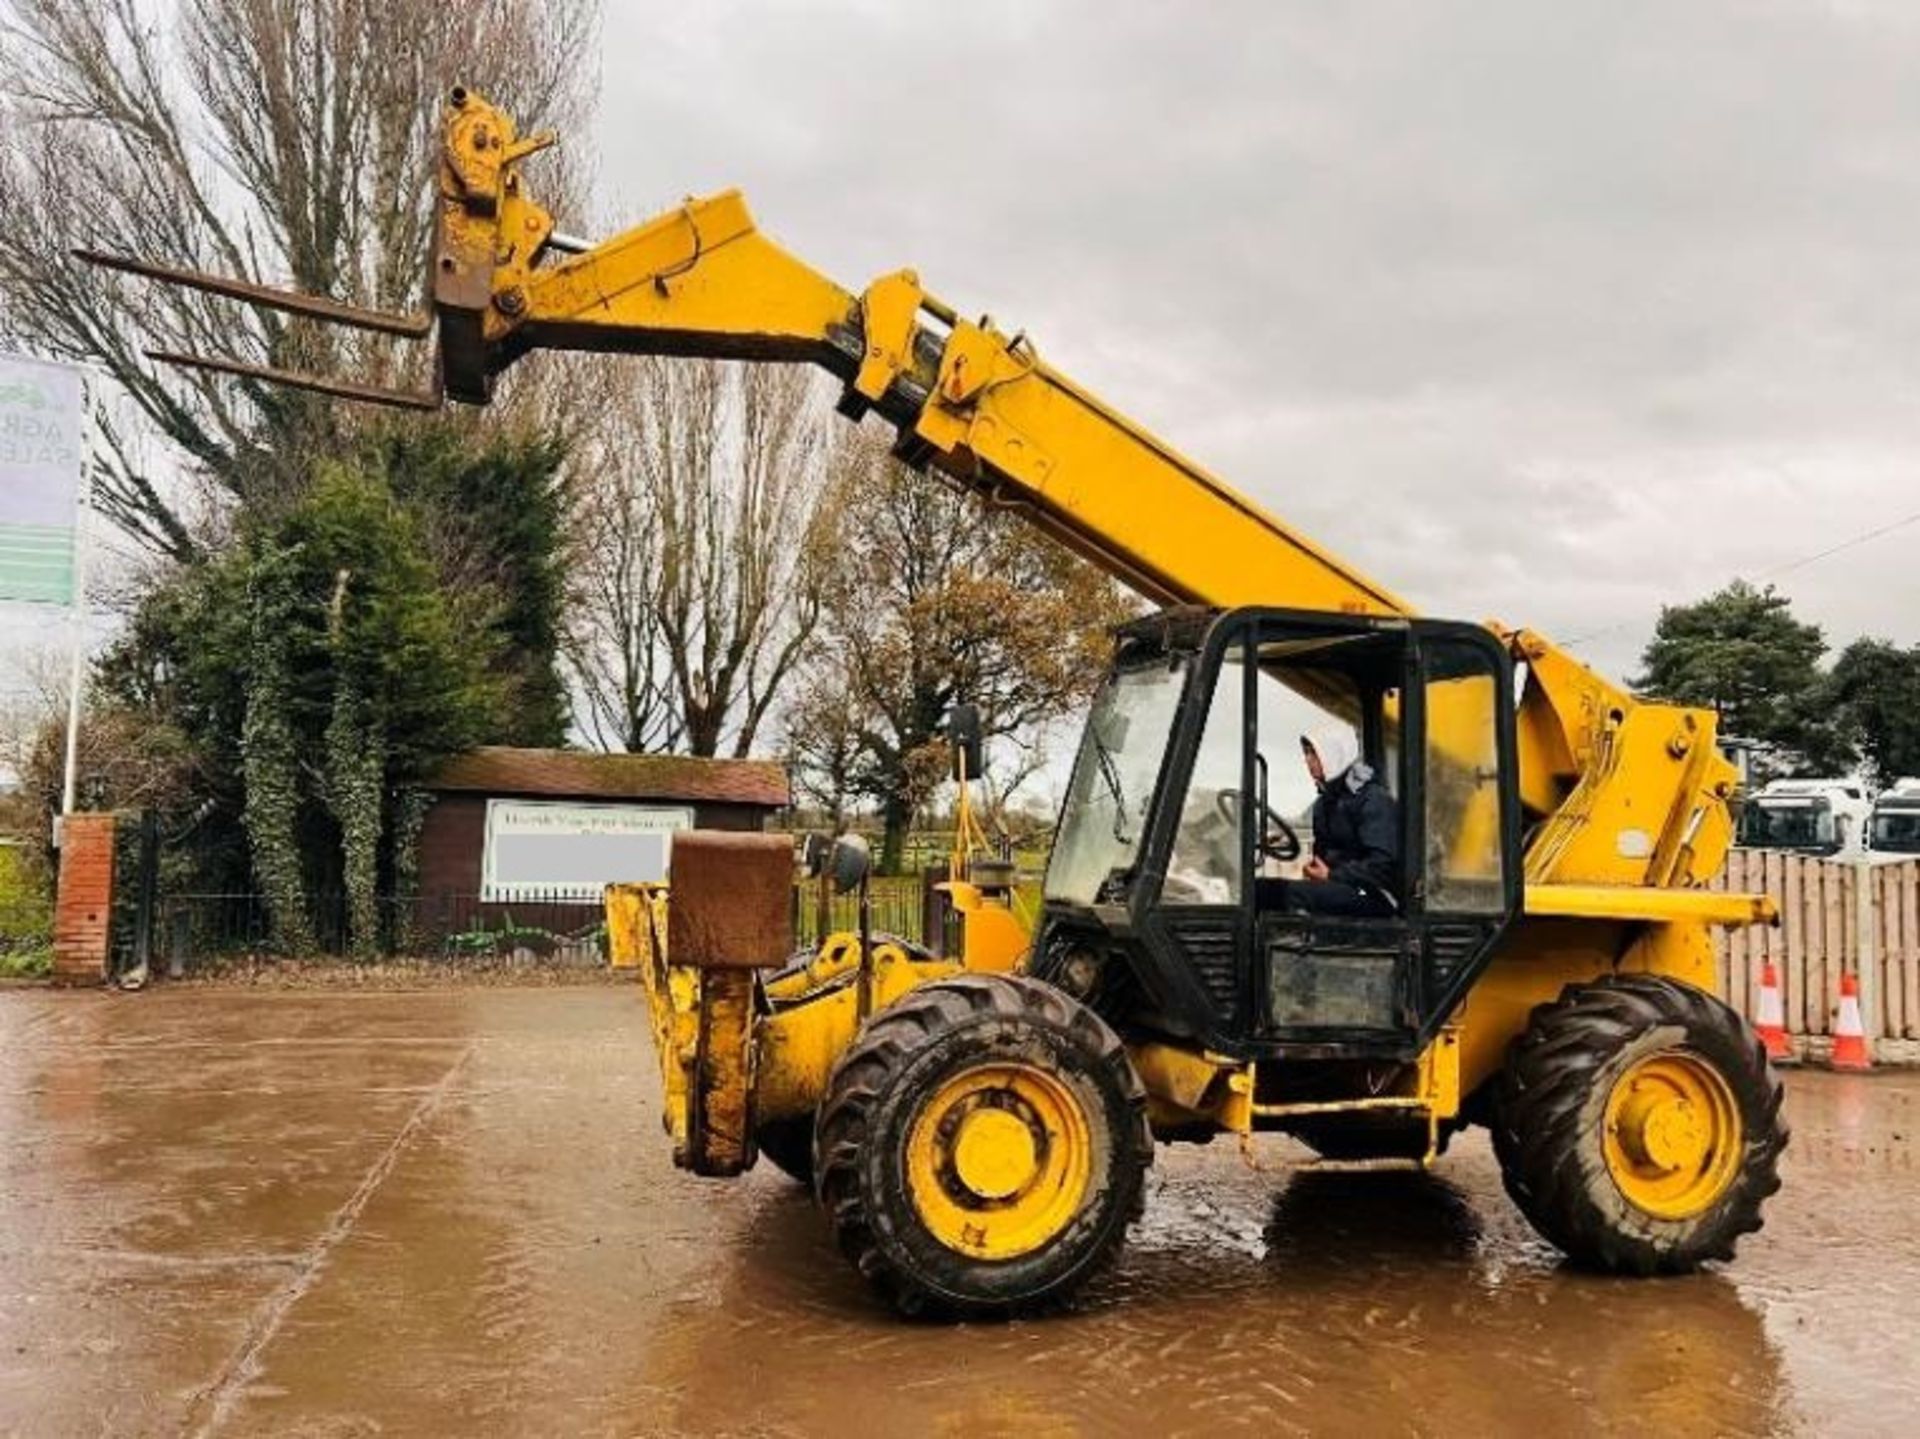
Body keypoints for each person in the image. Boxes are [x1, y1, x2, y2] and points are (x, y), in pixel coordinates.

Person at [1272, 724, 1399, 917]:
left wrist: (1331, 875)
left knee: (1291, 894)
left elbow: (1381, 867)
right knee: (1265, 891)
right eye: (1306, 753)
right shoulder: (1323, 805)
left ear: (1333, 753)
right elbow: (1322, 857)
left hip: (1375, 895)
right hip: (1342, 887)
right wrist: (1315, 870)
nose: (1307, 760)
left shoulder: (1373, 799)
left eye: (1313, 753)